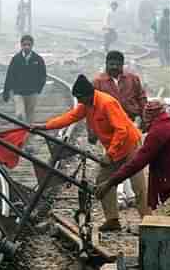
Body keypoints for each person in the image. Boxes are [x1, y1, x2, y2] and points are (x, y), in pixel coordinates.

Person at [95, 100, 170, 264]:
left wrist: (109, 183)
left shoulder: (158, 132)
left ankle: (161, 267)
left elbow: (137, 163)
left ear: (148, 119)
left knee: (164, 224)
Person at [34, 74, 148, 231]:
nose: (79, 103)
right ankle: (112, 219)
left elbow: (121, 130)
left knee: (138, 185)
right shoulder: (86, 104)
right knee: (103, 182)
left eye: (80, 99)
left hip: (129, 146)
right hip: (114, 149)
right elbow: (70, 117)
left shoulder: (106, 103)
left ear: (88, 95)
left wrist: (109, 154)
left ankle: (148, 221)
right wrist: (46, 126)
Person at [93, 50, 149, 214]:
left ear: (122, 65)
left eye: (117, 64)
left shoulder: (132, 79)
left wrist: (144, 118)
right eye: (111, 64)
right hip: (109, 131)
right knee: (112, 164)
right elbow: (91, 107)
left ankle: (133, 200)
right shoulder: (98, 82)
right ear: (106, 64)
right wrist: (93, 130)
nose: (114, 67)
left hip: (131, 126)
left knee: (132, 164)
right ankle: (118, 199)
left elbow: (141, 98)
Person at [3, 35, 47, 125]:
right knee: (20, 114)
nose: (26, 46)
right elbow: (10, 75)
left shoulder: (38, 59)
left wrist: (39, 89)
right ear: (21, 45)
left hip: (32, 92)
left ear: (32, 45)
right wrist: (6, 91)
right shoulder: (16, 59)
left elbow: (43, 75)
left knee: (30, 115)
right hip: (18, 92)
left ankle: (27, 134)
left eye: (29, 44)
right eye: (24, 44)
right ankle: (20, 130)